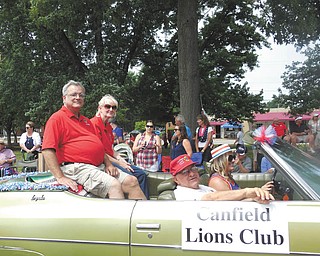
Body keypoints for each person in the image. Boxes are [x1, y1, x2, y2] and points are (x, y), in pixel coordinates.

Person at [41, 80, 145, 199]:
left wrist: (109, 164)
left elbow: (99, 147)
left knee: (131, 181)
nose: (78, 97)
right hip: (77, 167)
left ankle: (144, 217)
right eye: (73, 94)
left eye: (81, 95)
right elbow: (47, 150)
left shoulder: (86, 121)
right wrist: (60, 177)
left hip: (97, 166)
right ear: (64, 98)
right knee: (113, 185)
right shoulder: (57, 119)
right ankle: (118, 217)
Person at [91, 94, 149, 199]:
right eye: (107, 106)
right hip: (103, 161)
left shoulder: (108, 127)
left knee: (142, 174)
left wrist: (121, 159)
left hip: (112, 159)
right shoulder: (93, 124)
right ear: (100, 108)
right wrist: (120, 163)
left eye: (114, 107)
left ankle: (146, 203)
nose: (111, 109)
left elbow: (111, 149)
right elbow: (99, 152)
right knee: (131, 178)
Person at [170, 154, 274, 202]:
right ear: (176, 180)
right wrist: (248, 192)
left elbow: (229, 202)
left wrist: (255, 198)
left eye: (193, 169)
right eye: (185, 172)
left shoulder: (203, 188)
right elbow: (212, 198)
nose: (192, 174)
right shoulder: (182, 193)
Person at [208, 144, 273, 191]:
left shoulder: (227, 177)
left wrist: (259, 191)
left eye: (233, 157)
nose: (233, 160)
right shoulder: (217, 181)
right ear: (220, 161)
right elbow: (236, 200)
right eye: (230, 158)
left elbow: (240, 194)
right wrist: (258, 191)